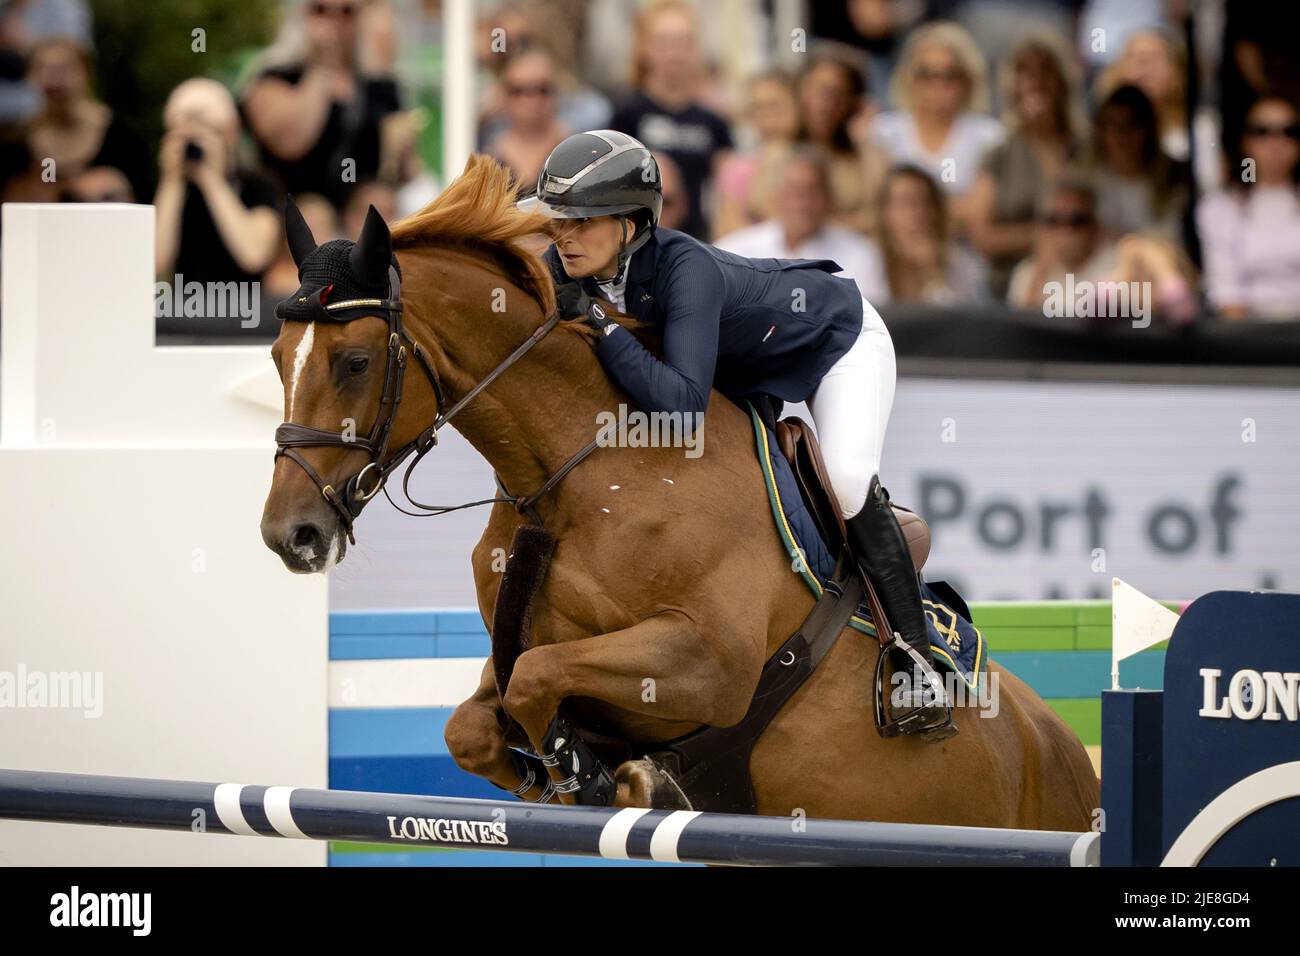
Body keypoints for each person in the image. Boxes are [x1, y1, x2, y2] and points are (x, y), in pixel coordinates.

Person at [521, 130, 954, 740]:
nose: (563, 236)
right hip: (745, 371)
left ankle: (917, 661)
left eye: (581, 221)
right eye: (557, 220)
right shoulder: (568, 266)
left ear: (629, 224)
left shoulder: (685, 268)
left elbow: (681, 405)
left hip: (837, 341)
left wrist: (594, 322)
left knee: (850, 479)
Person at [241, 0, 401, 211]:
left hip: (357, 221)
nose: (334, 20)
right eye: (320, 10)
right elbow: (291, 142)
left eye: (347, 12)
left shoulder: (379, 86)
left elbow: (397, 168)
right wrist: (322, 66)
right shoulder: (275, 77)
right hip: (291, 215)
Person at [969, 31, 1085, 298]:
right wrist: (1041, 237)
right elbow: (982, 237)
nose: (1036, 81)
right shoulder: (999, 153)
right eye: (1025, 72)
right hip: (1010, 281)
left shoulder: (1086, 149)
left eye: (1045, 71)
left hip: (1081, 277)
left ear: (1062, 81)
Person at [608, 0, 732, 240]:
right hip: (641, 242)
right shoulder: (625, 114)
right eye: (664, 42)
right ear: (644, 48)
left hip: (700, 243)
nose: (674, 53)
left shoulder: (714, 120)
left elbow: (728, 191)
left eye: (682, 42)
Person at [868, 21, 1003, 230]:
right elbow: (880, 208)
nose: (938, 86)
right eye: (927, 75)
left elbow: (981, 214)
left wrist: (910, 209)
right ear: (909, 78)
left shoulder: (989, 136)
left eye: (950, 75)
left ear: (968, 80)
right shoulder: (884, 131)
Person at [715, 146, 888, 302]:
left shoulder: (860, 254)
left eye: (812, 191)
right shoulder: (735, 252)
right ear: (776, 197)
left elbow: (869, 324)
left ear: (829, 199)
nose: (802, 203)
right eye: (793, 191)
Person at [154, 79, 281, 291]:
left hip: (246, 312)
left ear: (231, 132)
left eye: (205, 130)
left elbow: (254, 255)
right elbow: (156, 261)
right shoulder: (171, 189)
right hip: (187, 311)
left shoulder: (258, 185)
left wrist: (212, 181)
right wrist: (171, 181)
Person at [1196, 95, 1300, 320]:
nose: (1276, 142)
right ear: (1245, 141)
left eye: (1289, 132)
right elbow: (1227, 294)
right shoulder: (1221, 207)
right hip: (1250, 337)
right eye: (1262, 132)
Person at [25, 36, 149, 202]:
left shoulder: (123, 136)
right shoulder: (18, 141)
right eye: (44, 69)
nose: (53, 79)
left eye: (63, 69)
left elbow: (146, 200)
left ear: (87, 73)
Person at [795, 43, 889, 235]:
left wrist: (865, 141)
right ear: (802, 90)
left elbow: (884, 213)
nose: (825, 102)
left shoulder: (862, 156)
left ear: (853, 102)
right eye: (818, 89)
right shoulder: (781, 150)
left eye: (837, 93)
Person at [1089, 84, 1189, 243]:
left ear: (1148, 129)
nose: (1121, 134)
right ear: (1101, 131)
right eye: (1112, 124)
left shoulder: (1176, 180)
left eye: (1132, 124)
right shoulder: (1087, 181)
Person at [877, 164, 985, 304]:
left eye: (925, 202)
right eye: (905, 202)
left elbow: (958, 321)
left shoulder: (962, 264)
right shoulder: (868, 263)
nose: (917, 213)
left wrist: (934, 275)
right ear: (885, 213)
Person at [484, 49, 571, 189]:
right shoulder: (487, 159)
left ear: (556, 92)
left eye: (541, 89)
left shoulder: (576, 154)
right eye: (518, 91)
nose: (530, 100)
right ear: (502, 95)